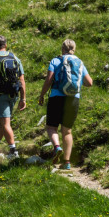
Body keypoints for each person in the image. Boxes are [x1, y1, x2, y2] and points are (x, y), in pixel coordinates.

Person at [37, 37, 93, 171]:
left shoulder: (56, 60)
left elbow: (49, 79)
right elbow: (89, 83)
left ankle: (57, 147)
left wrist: (42, 94)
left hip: (56, 96)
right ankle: (67, 162)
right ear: (74, 49)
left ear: (62, 49)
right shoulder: (79, 62)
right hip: (73, 99)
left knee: (51, 127)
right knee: (67, 131)